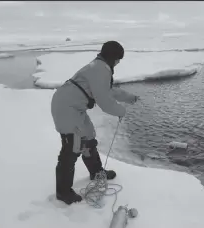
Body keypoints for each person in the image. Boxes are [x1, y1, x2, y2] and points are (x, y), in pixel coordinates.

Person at [51, 41, 140, 205]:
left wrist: (130, 98)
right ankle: (63, 192)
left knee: (88, 138)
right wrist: (121, 111)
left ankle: (96, 172)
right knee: (72, 147)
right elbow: (105, 101)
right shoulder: (100, 69)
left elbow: (108, 91)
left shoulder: (99, 67)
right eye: (118, 59)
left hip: (74, 107)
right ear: (113, 57)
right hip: (67, 108)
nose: (118, 62)